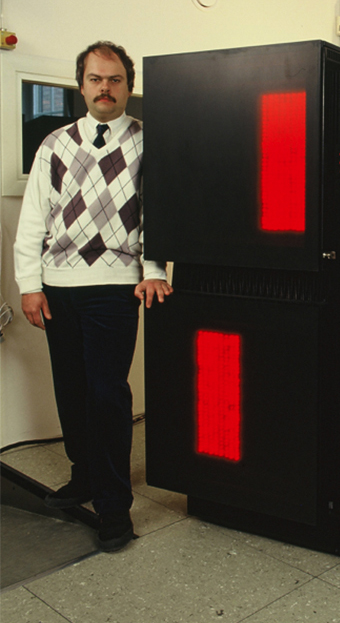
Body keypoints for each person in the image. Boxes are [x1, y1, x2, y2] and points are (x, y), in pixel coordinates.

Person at [14, 41, 172, 552]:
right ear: (81, 85)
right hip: (58, 286)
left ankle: (113, 507)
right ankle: (84, 475)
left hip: (115, 285)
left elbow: (158, 211)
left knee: (106, 395)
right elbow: (33, 219)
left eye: (115, 79)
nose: (105, 88)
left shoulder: (150, 142)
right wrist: (29, 285)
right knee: (72, 389)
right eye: (96, 79)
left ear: (128, 86)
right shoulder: (55, 143)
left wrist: (153, 269)